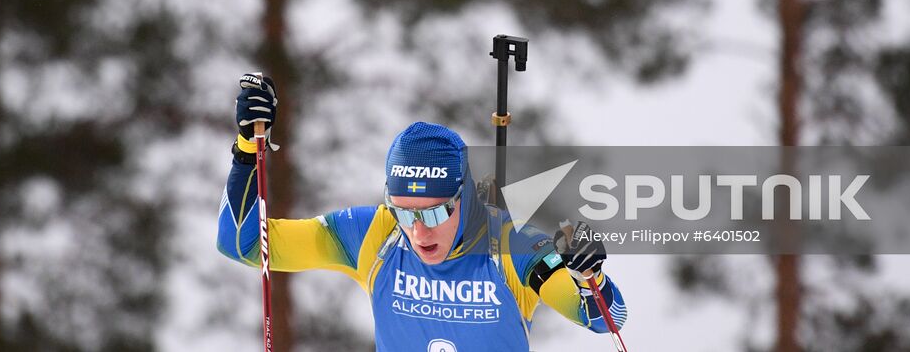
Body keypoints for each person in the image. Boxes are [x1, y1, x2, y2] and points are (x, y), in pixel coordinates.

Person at [217, 73, 629, 351]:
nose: (418, 232)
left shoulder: (510, 244)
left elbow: (607, 319)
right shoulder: (375, 236)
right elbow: (243, 245)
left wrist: (590, 274)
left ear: (463, 197)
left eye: (433, 214)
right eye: (404, 212)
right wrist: (246, 149)